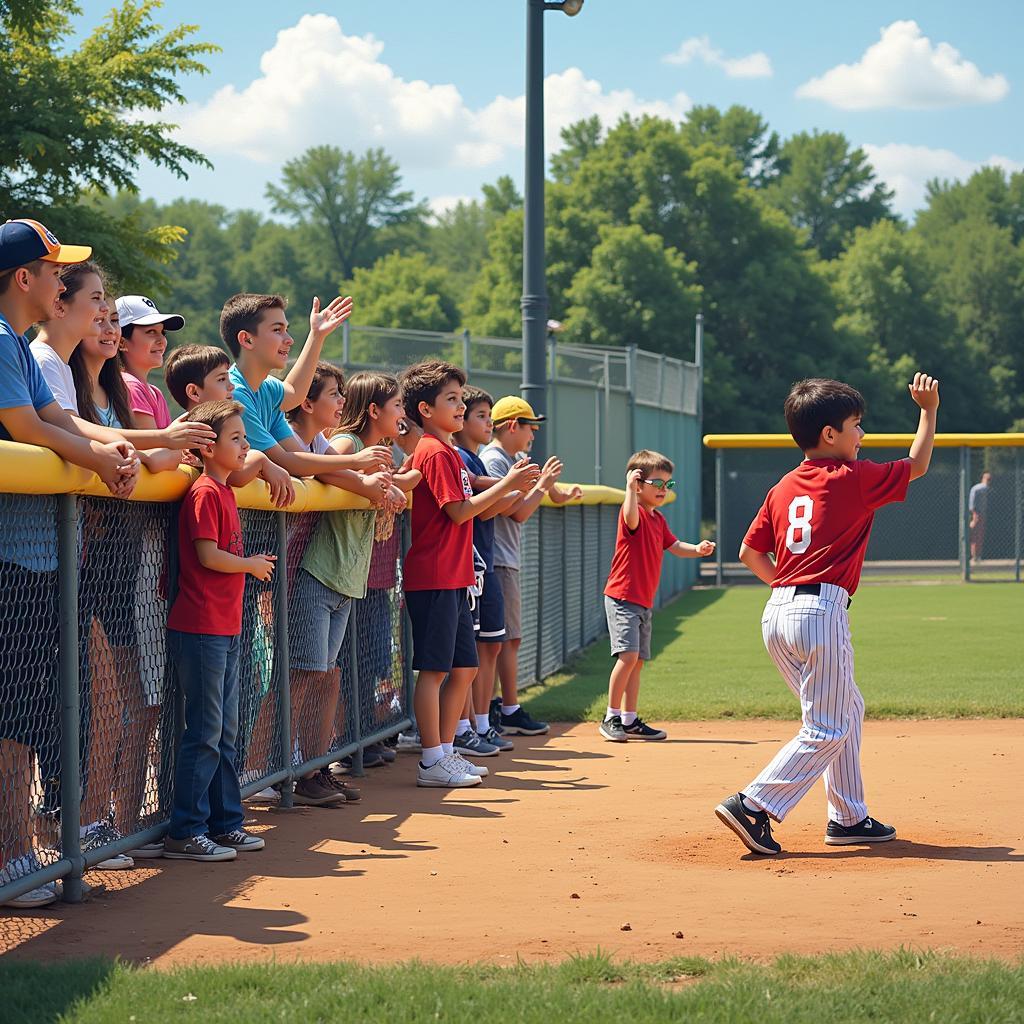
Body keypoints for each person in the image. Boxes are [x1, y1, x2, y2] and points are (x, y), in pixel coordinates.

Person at [715, 373, 940, 856]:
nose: (863, 435)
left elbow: (749, 553)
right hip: (820, 612)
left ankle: (848, 817)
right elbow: (916, 464)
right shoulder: (850, 478)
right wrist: (928, 410)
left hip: (777, 613)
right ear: (829, 435)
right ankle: (753, 804)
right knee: (828, 727)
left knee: (846, 710)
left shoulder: (782, 486)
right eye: (856, 425)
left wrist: (788, 588)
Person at [0, 218, 138, 910]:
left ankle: (20, 851)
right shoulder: (2, 340)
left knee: (25, 718)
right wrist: (103, 463)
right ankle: (9, 858)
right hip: (12, 557)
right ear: (24, 279)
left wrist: (115, 450)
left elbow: (59, 416)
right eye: (54, 271)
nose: (61, 280)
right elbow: (27, 431)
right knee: (10, 720)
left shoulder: (18, 349)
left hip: (38, 555)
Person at [399, 361, 540, 787]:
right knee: (436, 670)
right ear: (425, 408)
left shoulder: (448, 452)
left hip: (456, 576)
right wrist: (507, 483)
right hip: (435, 575)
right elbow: (459, 512)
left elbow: (476, 504)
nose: (460, 407)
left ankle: (446, 750)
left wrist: (513, 487)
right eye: (452, 400)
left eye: (462, 399)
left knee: (463, 667)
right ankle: (430, 759)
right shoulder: (433, 451)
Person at [164, 399, 276, 862]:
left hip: (225, 626)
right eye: (235, 438)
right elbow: (209, 556)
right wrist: (250, 565)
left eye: (244, 437)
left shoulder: (226, 490)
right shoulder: (206, 491)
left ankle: (225, 822)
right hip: (202, 626)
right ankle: (185, 831)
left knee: (226, 730)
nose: (245, 444)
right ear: (208, 448)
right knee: (207, 731)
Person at [279, 361, 395, 806]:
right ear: (307, 402)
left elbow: (344, 474)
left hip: (345, 578)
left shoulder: (329, 443)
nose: (341, 401)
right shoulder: (344, 443)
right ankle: (281, 768)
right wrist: (371, 483)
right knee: (304, 675)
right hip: (316, 571)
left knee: (326, 676)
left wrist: (379, 484)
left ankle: (314, 766)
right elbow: (328, 471)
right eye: (333, 394)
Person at [329, 371, 422, 768]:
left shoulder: (386, 448)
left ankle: (366, 733)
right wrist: (382, 481)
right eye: (397, 405)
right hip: (345, 569)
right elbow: (327, 470)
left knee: (372, 659)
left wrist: (400, 475)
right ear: (372, 410)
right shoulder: (348, 443)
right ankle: (348, 741)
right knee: (345, 664)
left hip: (372, 571)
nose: (402, 413)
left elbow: (406, 479)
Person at [219, 292, 392, 503]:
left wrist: (317, 335)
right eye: (277, 330)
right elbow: (288, 461)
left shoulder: (268, 390)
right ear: (247, 339)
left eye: (287, 330)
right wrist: (356, 462)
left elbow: (293, 398)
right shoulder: (235, 393)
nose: (289, 340)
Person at [599, 450, 716, 743]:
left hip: (642, 600)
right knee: (627, 657)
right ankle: (610, 716)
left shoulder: (658, 519)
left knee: (637, 661)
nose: (665, 490)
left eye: (668, 485)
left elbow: (674, 546)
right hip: (623, 597)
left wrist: (697, 549)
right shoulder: (634, 513)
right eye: (658, 483)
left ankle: (629, 719)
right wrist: (629, 489)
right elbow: (629, 516)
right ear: (639, 485)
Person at [481, 396, 580, 736]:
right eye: (530, 427)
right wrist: (543, 486)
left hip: (505, 559)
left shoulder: (514, 458)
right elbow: (518, 511)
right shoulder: (494, 459)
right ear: (512, 426)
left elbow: (540, 489)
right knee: (505, 640)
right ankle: (506, 708)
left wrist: (558, 492)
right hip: (496, 560)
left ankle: (498, 706)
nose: (533, 436)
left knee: (507, 640)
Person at [452, 385, 519, 756]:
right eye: (480, 415)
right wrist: (509, 488)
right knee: (467, 654)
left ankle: (479, 721)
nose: (486, 421)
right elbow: (476, 507)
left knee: (488, 647)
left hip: (485, 563)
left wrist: (510, 490)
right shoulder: (459, 456)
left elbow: (496, 507)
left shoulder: (474, 459)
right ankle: (463, 728)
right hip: (471, 563)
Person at [969, 471, 992, 563]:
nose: (989, 481)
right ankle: (974, 557)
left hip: (981, 514)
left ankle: (977, 556)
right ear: (983, 478)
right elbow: (972, 504)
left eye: (990, 479)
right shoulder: (978, 488)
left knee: (979, 535)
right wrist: (974, 515)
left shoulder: (985, 489)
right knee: (976, 535)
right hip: (977, 514)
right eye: (988, 479)